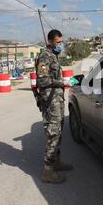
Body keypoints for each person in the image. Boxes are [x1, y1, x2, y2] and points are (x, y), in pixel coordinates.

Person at [36, 29, 73, 184]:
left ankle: (56, 162)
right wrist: (62, 83)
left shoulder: (53, 55)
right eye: (58, 42)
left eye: (61, 42)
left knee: (58, 132)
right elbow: (42, 81)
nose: (60, 45)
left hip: (57, 100)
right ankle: (47, 171)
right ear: (50, 41)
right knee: (53, 134)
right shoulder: (45, 56)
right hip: (51, 101)